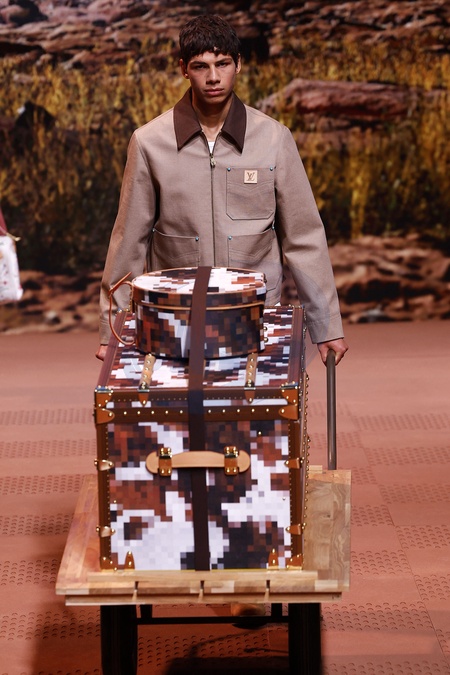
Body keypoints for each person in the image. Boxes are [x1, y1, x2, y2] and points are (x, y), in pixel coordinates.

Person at [96, 14, 348, 364]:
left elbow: (303, 237)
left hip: (257, 317)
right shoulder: (150, 142)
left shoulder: (273, 138)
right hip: (176, 319)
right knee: (183, 404)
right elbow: (129, 241)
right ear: (184, 69)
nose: (213, 77)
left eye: (222, 64)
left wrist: (327, 325)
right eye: (201, 66)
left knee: (256, 402)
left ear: (238, 64)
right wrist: (113, 330)